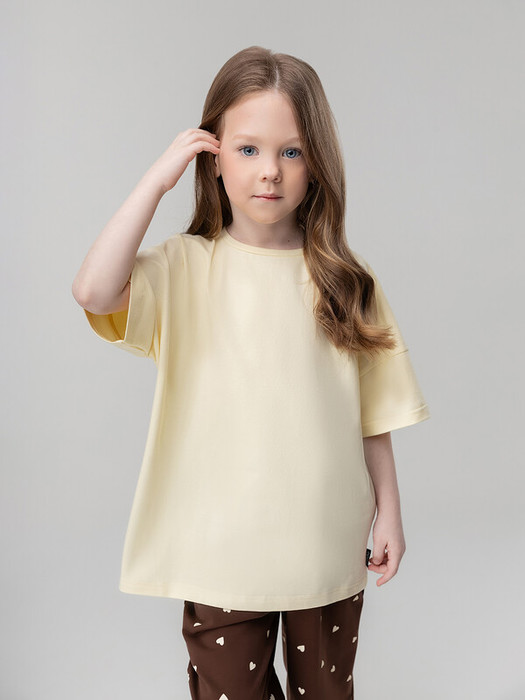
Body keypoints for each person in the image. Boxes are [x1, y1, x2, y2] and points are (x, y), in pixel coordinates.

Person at [72, 46, 430, 700]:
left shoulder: (345, 282)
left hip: (324, 541)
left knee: (326, 692)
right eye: (247, 149)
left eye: (291, 151)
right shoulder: (182, 268)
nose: (270, 170)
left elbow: (371, 413)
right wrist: (156, 180)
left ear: (316, 164)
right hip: (219, 551)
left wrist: (390, 515)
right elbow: (94, 291)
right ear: (212, 158)